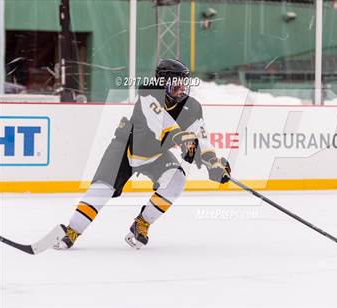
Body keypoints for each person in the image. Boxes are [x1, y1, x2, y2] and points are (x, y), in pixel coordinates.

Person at [54, 59, 231, 250]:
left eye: (184, 84)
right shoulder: (148, 93)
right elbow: (162, 126)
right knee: (102, 190)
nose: (181, 89)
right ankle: (72, 230)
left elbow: (201, 137)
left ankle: (142, 223)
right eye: (176, 84)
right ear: (163, 83)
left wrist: (212, 161)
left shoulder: (193, 107)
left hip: (156, 156)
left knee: (177, 180)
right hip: (126, 149)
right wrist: (183, 139)